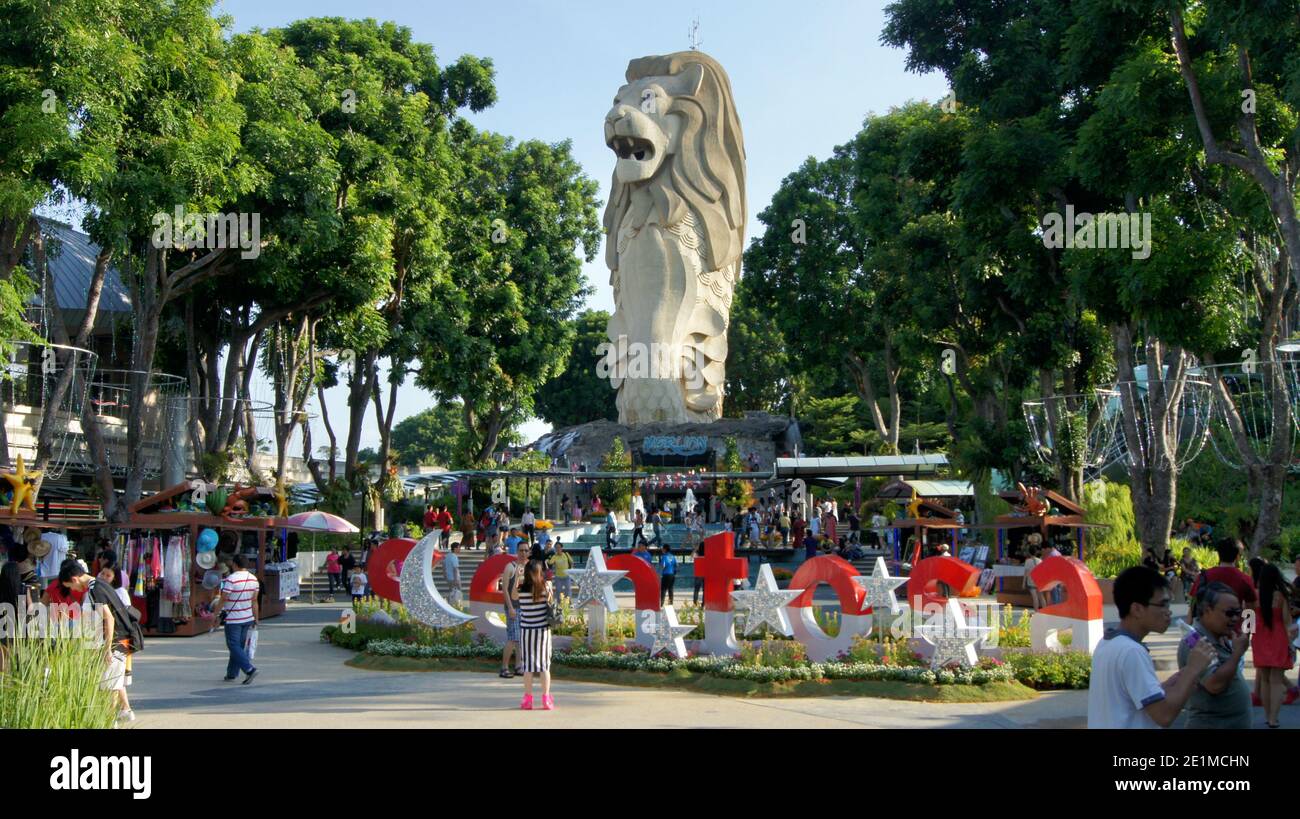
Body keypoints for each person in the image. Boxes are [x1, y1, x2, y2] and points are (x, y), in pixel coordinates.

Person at [1088, 566, 1215, 728]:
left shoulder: (1108, 642)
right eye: (1162, 604)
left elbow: (1130, 701)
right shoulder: (1132, 652)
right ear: (1137, 609)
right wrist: (1192, 670)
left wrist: (1170, 685)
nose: (1168, 612)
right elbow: (1164, 715)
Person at [59, 561, 137, 723]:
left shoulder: (94, 590)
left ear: (75, 579)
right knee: (112, 685)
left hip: (115, 642)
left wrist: (107, 648)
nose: (73, 590)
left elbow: (108, 618)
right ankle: (117, 716)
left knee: (109, 687)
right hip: (121, 640)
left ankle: (110, 722)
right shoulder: (99, 584)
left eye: (70, 586)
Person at [1176, 582, 1251, 729]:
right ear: (1208, 610)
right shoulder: (1195, 641)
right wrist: (1237, 654)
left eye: (1238, 613)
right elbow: (1215, 684)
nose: (1235, 619)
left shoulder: (1220, 636)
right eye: (1229, 613)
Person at [1252, 563, 1297, 728]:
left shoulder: (1254, 595)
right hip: (1278, 637)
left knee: (1264, 679)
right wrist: (1290, 643)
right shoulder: (1281, 597)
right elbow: (1286, 622)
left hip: (1259, 638)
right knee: (1276, 680)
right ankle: (1273, 718)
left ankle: (1266, 715)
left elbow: (1247, 618)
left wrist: (1248, 635)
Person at [210, 555, 260, 684]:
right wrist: (256, 618)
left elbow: (223, 599)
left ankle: (249, 669)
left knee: (233, 645)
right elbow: (254, 601)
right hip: (248, 617)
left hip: (233, 619)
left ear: (234, 565)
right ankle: (231, 673)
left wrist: (215, 614)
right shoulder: (254, 579)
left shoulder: (231, 579)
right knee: (238, 646)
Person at [516, 559, 555, 710]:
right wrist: (547, 581)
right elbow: (551, 604)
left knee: (528, 667)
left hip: (526, 631)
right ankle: (546, 699)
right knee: (544, 666)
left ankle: (528, 699)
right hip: (543, 631)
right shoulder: (546, 587)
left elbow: (513, 596)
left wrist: (517, 578)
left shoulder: (521, 590)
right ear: (540, 572)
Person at [1189, 539, 1257, 607]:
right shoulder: (1245, 579)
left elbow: (1193, 605)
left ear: (1218, 554)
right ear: (1237, 557)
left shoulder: (1203, 576)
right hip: (1234, 616)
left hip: (1208, 616)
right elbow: (1251, 609)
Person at [499, 548, 529, 678]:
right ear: (517, 552)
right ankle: (504, 668)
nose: (523, 553)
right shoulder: (510, 567)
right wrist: (510, 607)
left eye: (526, 550)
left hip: (524, 608)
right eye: (521, 550)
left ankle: (518, 666)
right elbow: (504, 589)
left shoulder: (528, 567)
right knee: (513, 638)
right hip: (513, 608)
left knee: (521, 639)